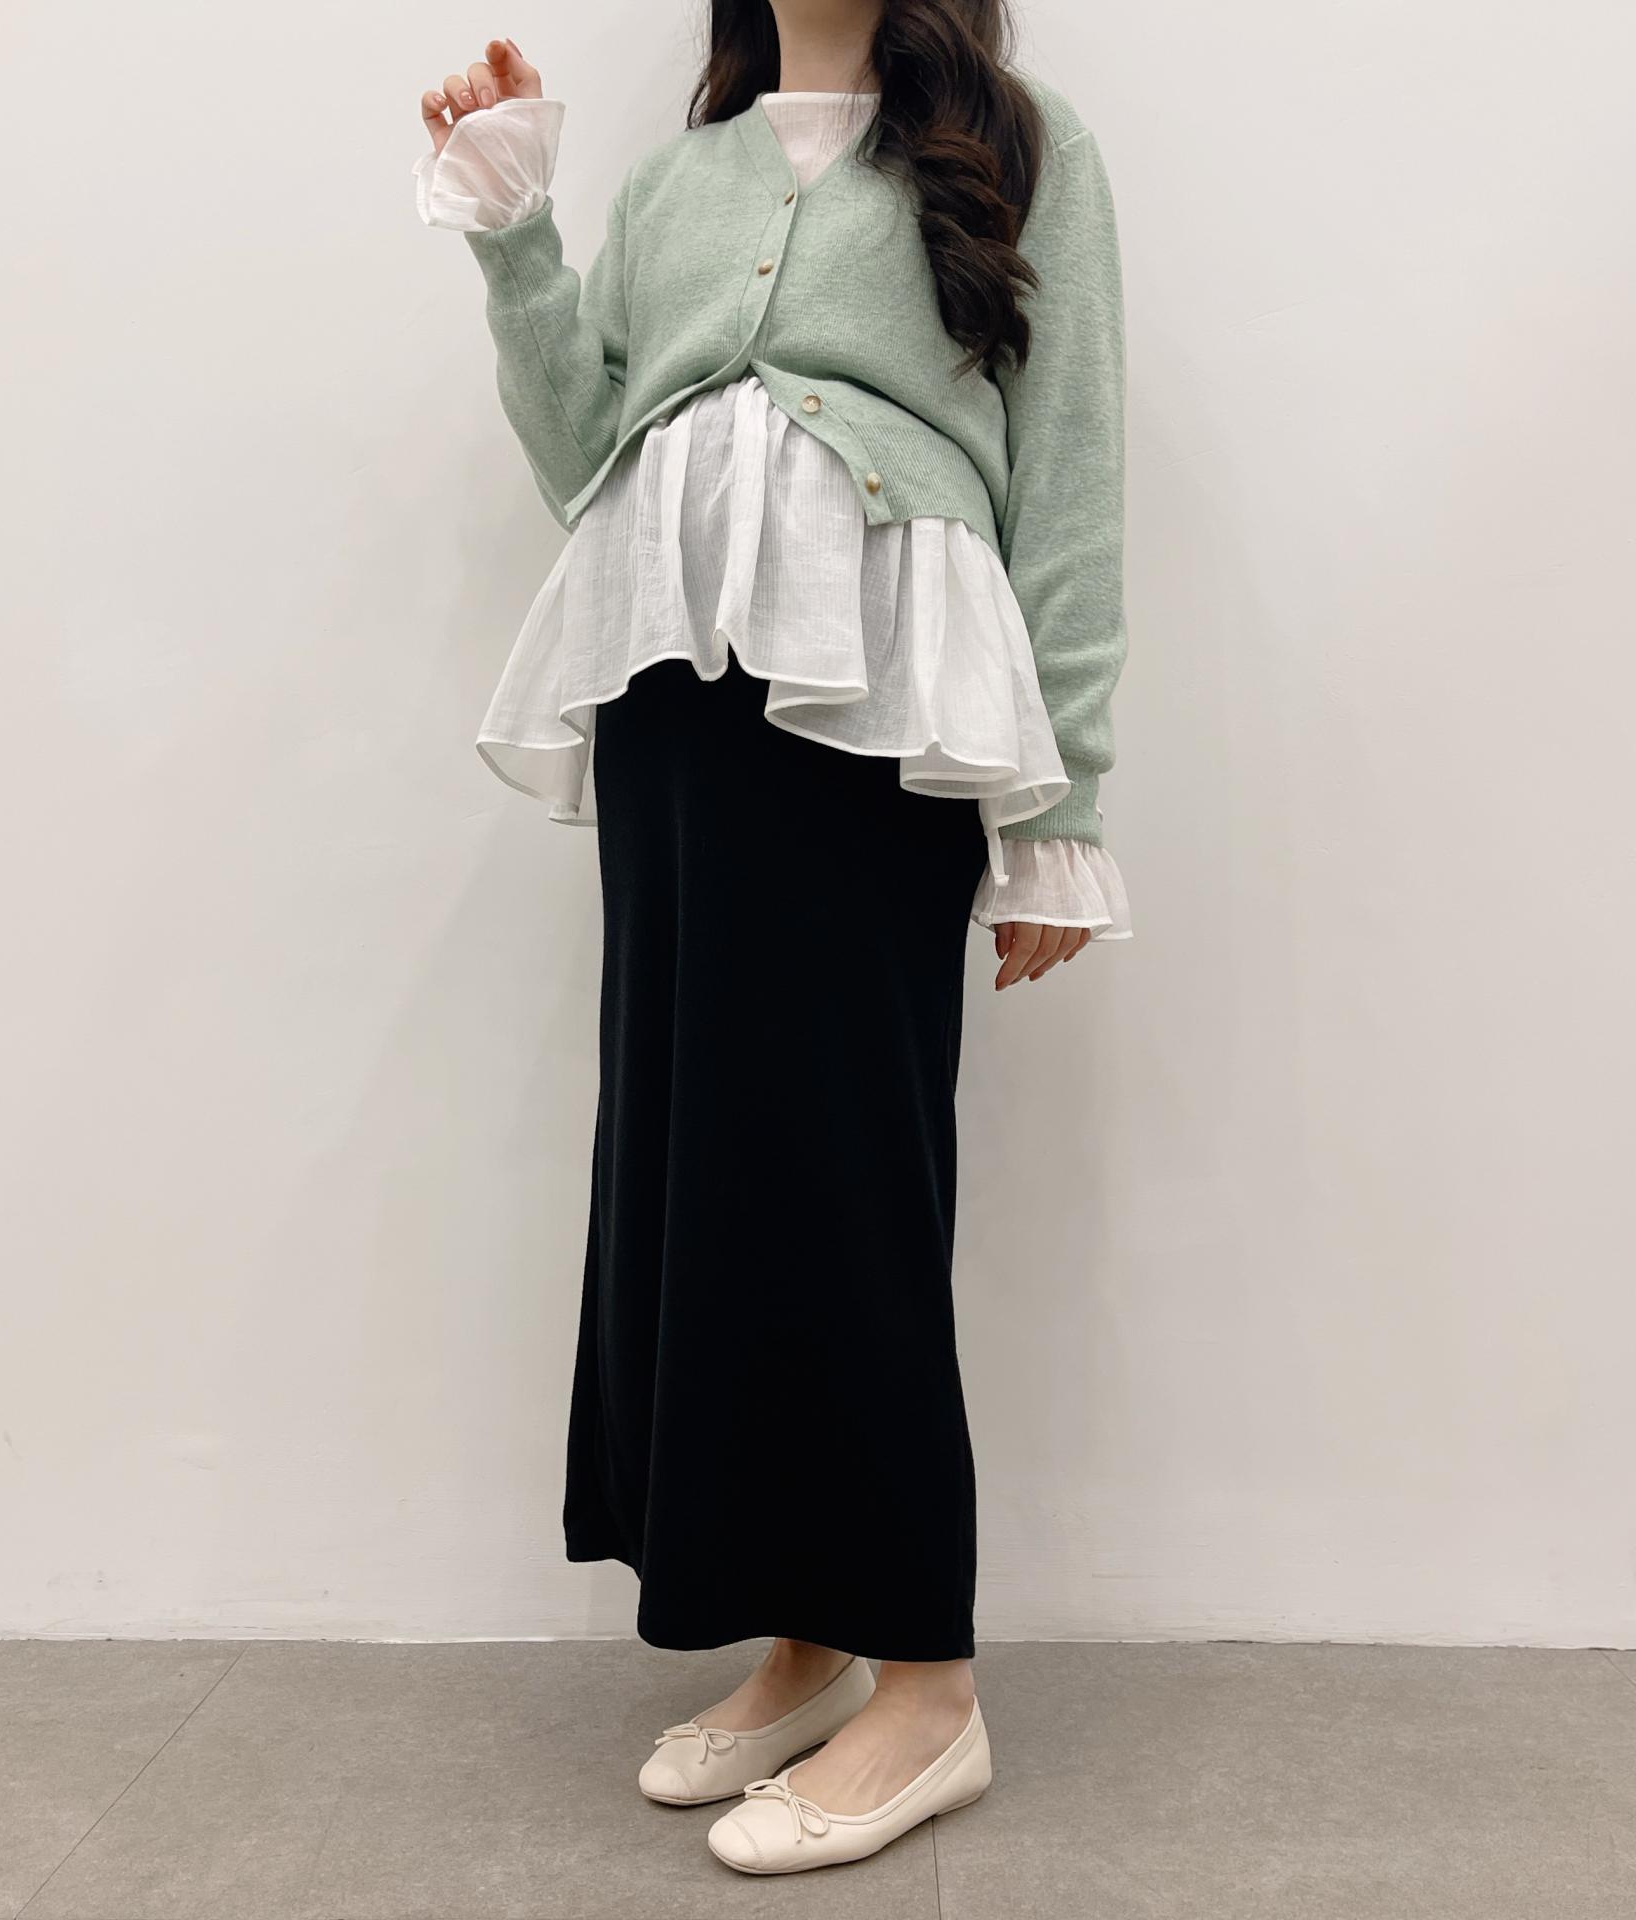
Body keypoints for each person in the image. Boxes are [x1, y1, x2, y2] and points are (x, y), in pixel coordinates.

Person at [414, 0, 1129, 1876]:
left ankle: (930, 1684)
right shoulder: (680, 181)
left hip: (878, 691)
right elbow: (588, 450)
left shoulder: (1020, 145)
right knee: (699, 1160)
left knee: (850, 1163)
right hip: (671, 683)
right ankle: (804, 1640)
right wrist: (516, 231)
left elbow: (1068, 469)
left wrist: (1059, 806)